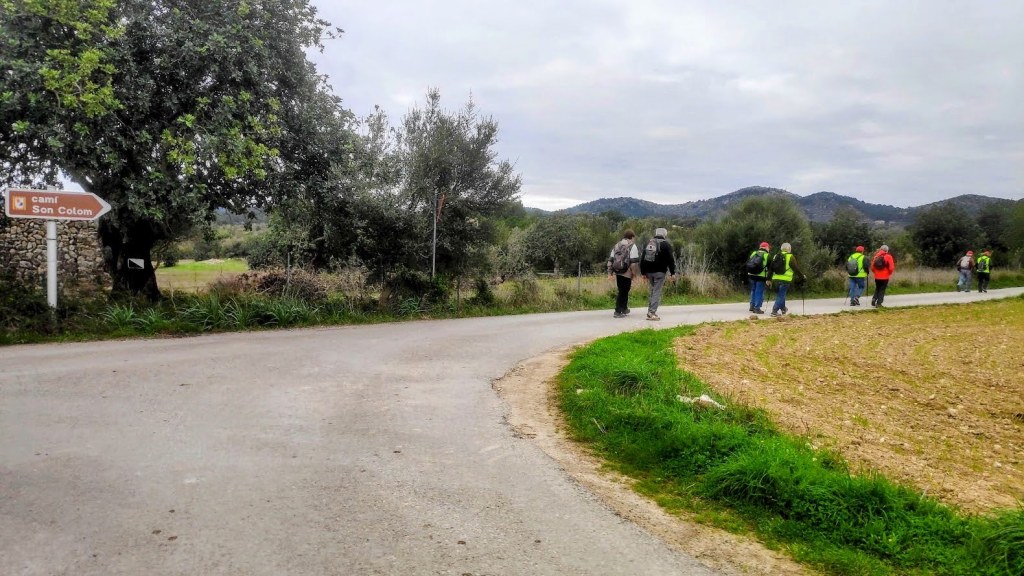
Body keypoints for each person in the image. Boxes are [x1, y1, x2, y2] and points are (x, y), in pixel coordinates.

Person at [639, 227, 677, 321]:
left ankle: (650, 311)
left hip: (648, 272)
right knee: (656, 291)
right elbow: (670, 260)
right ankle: (652, 313)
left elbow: (642, 258)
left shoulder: (649, 243)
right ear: (664, 235)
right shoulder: (666, 244)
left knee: (653, 291)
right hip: (660, 272)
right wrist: (673, 273)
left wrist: (643, 272)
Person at [606, 229, 641, 318]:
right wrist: (634, 274)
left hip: (617, 271)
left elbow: (611, 259)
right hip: (627, 271)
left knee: (622, 289)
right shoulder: (632, 246)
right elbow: (634, 262)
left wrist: (610, 273)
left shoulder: (617, 245)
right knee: (624, 291)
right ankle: (618, 311)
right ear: (632, 237)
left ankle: (624, 308)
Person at [768, 242, 805, 317]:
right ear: (789, 249)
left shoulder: (776, 256)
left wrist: (768, 279)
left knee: (780, 294)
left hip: (775, 279)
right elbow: (795, 269)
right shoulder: (790, 256)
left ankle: (783, 309)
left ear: (781, 249)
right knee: (781, 295)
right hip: (785, 280)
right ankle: (774, 311)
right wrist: (802, 276)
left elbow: (771, 269)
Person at [747, 241, 771, 314]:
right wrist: (769, 279)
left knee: (753, 290)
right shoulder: (767, 255)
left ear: (760, 247)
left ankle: (752, 306)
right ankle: (757, 308)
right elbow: (770, 268)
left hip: (751, 274)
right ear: (766, 248)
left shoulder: (754, 253)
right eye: (768, 248)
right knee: (759, 291)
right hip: (761, 276)